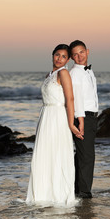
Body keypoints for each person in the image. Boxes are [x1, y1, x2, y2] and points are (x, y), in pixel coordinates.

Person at [26, 44, 83, 206]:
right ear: (52, 55)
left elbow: (70, 99)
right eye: (57, 55)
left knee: (57, 154)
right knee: (44, 155)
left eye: (64, 56)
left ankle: (58, 195)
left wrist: (71, 123)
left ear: (68, 60)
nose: (59, 59)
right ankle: (43, 195)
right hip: (46, 116)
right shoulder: (49, 75)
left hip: (58, 117)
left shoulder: (63, 73)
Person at [69, 40, 98, 199]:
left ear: (87, 51)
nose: (79, 56)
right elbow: (76, 98)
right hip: (83, 117)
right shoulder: (75, 73)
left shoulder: (88, 71)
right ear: (72, 58)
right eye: (75, 54)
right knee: (87, 156)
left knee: (81, 156)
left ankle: (76, 190)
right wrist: (80, 120)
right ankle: (84, 193)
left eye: (81, 52)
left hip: (91, 117)